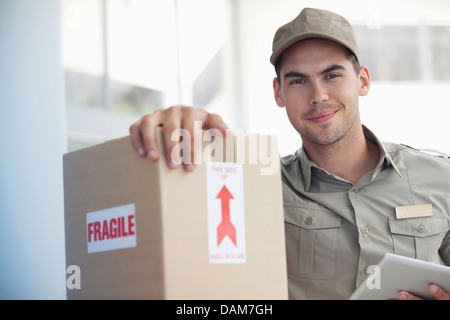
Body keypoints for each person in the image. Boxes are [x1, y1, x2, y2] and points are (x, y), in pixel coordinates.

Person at [129, 8, 450, 300]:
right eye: (298, 81)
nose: (318, 95)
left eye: (332, 75)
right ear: (278, 93)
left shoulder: (439, 177)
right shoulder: (258, 189)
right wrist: (181, 127)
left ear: (362, 81)